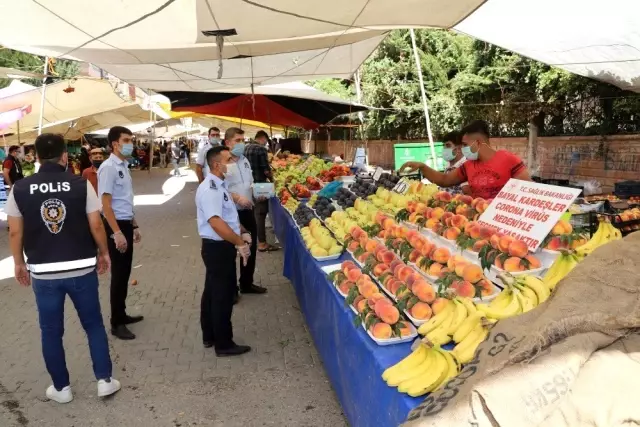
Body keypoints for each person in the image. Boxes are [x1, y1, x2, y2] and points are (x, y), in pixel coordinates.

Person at [6, 133, 120, 404]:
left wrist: (18, 264)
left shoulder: (20, 189)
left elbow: (14, 232)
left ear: (35, 157)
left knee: (50, 331)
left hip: (44, 274)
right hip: (82, 269)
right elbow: (95, 224)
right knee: (93, 325)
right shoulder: (80, 184)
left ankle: (61, 388)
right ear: (64, 156)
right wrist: (104, 253)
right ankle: (104, 380)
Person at [196, 145, 252, 356]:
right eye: (229, 160)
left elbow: (228, 217)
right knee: (222, 295)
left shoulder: (220, 185)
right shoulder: (210, 188)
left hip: (219, 246)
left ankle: (209, 334)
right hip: (218, 247)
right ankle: (224, 343)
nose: (233, 163)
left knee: (212, 291)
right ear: (217, 165)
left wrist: (242, 232)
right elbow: (216, 222)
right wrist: (239, 242)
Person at [399, 120, 531, 200]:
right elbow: (445, 180)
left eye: (465, 145)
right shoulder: (468, 166)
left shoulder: (508, 159)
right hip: (479, 222)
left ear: (478, 143)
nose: (462, 149)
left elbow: (529, 190)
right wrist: (423, 166)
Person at [98, 126, 143, 340]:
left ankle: (122, 313)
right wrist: (116, 232)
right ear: (115, 143)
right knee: (118, 274)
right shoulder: (108, 167)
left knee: (124, 272)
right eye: (126, 140)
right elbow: (106, 204)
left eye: (131, 139)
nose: (130, 143)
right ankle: (116, 323)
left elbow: (125, 200)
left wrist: (133, 225)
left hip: (124, 222)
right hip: (114, 225)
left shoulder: (123, 165)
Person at [223, 127, 267, 296]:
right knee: (231, 251)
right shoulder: (223, 162)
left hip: (248, 211)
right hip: (230, 214)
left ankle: (246, 283)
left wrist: (258, 193)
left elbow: (249, 182)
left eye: (243, 140)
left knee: (251, 247)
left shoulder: (244, 160)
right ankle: (231, 289)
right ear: (228, 142)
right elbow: (220, 189)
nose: (241, 144)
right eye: (237, 140)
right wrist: (237, 198)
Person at [246, 131, 279, 252]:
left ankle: (252, 237)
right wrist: (273, 180)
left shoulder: (246, 147)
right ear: (263, 138)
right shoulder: (261, 149)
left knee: (254, 212)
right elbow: (266, 170)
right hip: (260, 186)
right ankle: (262, 243)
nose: (266, 143)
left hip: (248, 184)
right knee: (260, 213)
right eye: (266, 140)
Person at [440, 131, 470, 196]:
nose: (444, 149)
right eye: (443, 146)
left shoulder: (466, 167)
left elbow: (468, 195)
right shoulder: (448, 166)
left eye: (448, 145)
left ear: (459, 148)